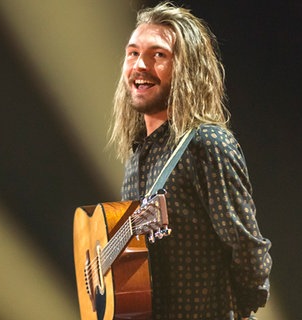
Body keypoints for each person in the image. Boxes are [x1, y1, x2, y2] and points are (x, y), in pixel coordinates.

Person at [108, 2, 272, 319]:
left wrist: (233, 307)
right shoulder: (137, 155)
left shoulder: (206, 143)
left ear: (187, 68)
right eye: (132, 53)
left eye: (158, 55)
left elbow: (248, 250)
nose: (139, 65)